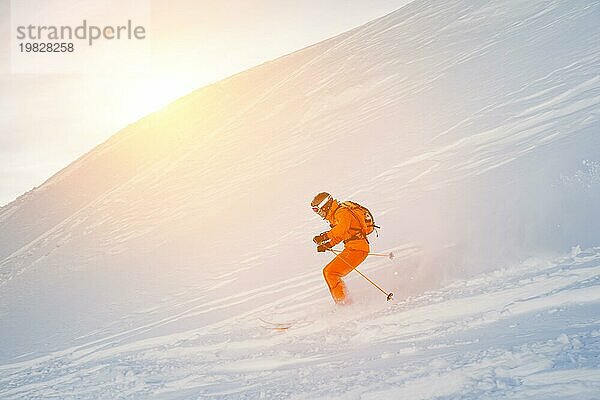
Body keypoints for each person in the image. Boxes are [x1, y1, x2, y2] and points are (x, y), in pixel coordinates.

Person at [311, 192, 370, 305]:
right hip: (353, 248)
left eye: (317, 210)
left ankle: (344, 303)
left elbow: (342, 229)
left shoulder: (342, 212)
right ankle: (344, 301)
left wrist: (325, 236)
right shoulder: (337, 215)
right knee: (330, 272)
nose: (319, 214)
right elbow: (343, 234)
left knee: (330, 272)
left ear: (325, 206)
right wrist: (329, 244)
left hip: (357, 249)